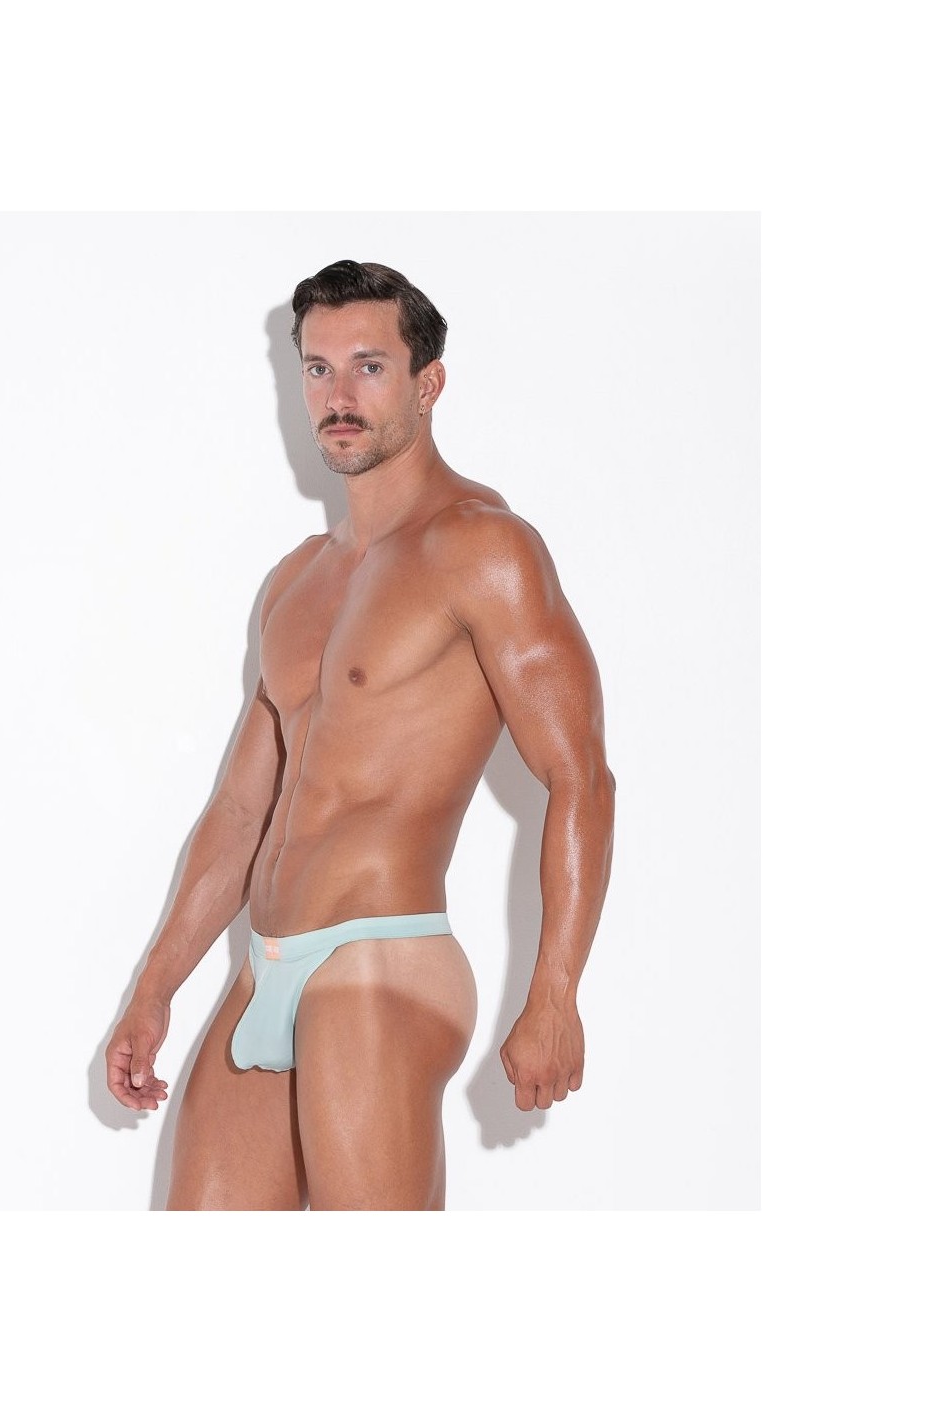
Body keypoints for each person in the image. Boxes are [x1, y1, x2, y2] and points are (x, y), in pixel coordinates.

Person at [105, 259, 616, 1210]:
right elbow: (242, 811)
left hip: (383, 955)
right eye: (318, 368)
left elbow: (580, 776)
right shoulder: (296, 578)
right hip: (264, 969)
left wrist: (555, 994)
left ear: (428, 382)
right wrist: (155, 986)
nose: (338, 395)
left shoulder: (483, 548)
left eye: (369, 367)